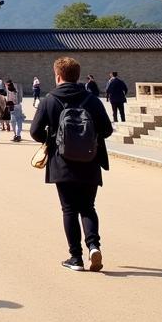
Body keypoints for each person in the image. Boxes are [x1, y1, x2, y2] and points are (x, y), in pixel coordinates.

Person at [30, 57, 114, 272]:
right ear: (78, 75)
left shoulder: (49, 99)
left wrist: (52, 138)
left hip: (62, 162)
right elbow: (107, 130)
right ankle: (94, 245)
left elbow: (35, 132)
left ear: (58, 75)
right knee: (88, 207)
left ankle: (75, 257)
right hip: (89, 159)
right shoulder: (91, 99)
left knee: (69, 209)